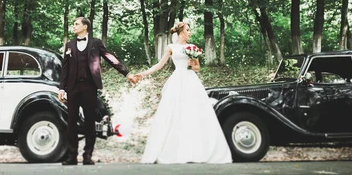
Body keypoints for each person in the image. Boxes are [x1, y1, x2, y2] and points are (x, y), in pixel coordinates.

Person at [137, 21, 232, 164]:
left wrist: (192, 64)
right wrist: (142, 74)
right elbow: (160, 65)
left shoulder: (192, 48)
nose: (190, 32)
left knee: (194, 113)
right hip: (177, 80)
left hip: (191, 81)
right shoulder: (171, 47)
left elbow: (197, 68)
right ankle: (173, 151)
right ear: (180, 32)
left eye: (189, 30)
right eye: (188, 30)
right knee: (173, 113)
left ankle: (196, 151)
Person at [58, 17, 140, 165]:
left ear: (85, 27)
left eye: (76, 24)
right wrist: (61, 88)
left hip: (90, 87)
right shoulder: (69, 45)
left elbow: (110, 58)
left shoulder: (96, 43)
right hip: (73, 88)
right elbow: (65, 68)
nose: (73, 26)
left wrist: (127, 73)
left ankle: (87, 155)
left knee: (90, 121)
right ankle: (71, 156)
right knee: (71, 122)